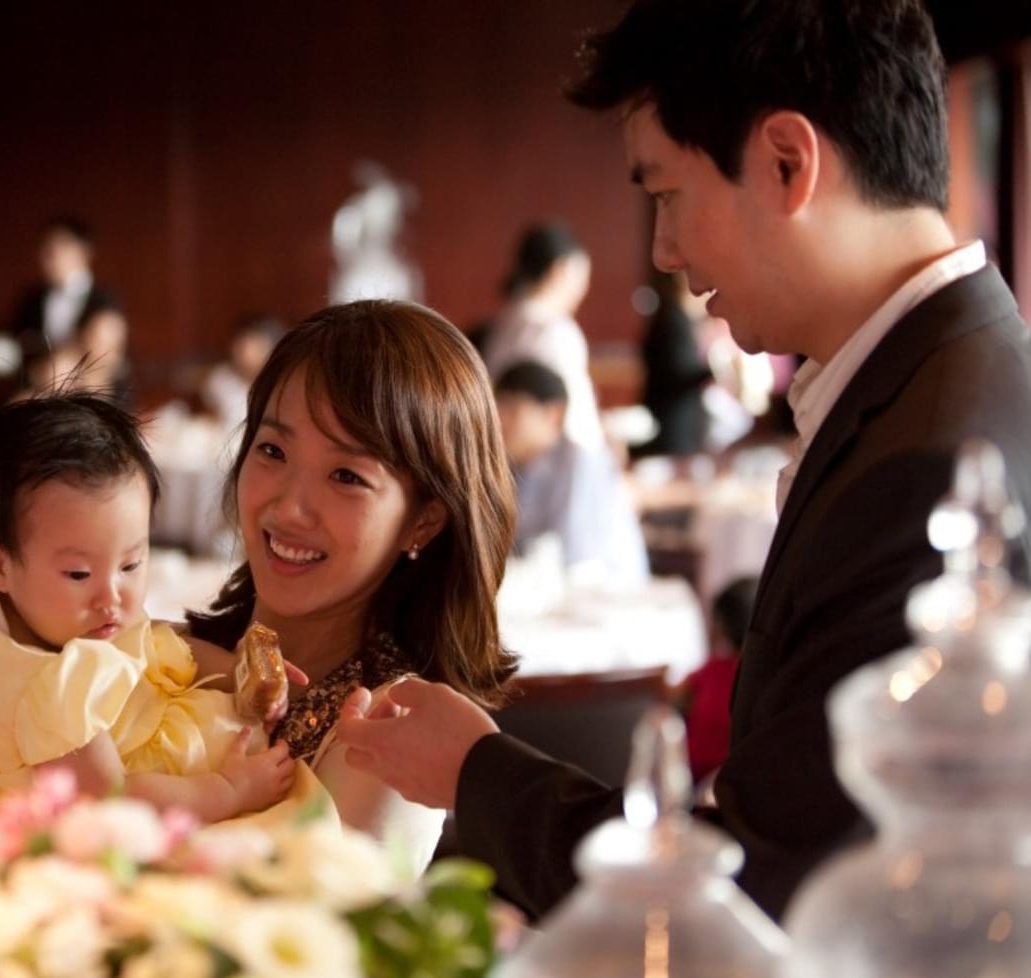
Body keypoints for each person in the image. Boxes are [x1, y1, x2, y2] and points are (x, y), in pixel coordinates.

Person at [334, 0, 1031, 920]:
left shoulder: (936, 459)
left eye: (665, 194)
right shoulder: (941, 379)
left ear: (787, 163)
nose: (664, 250)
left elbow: (767, 889)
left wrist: (475, 769)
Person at [0, 392, 301, 831]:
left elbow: (152, 643)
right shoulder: (47, 691)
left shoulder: (51, 615)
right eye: (78, 574)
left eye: (131, 564)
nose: (111, 596)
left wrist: (239, 671)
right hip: (75, 823)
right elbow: (114, 800)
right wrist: (228, 790)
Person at [187, 298, 518, 876]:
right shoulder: (165, 657)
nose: (289, 507)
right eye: (272, 450)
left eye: (346, 476)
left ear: (423, 521)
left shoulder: (386, 736)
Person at [496, 361, 649, 585]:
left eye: (511, 408)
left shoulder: (580, 462)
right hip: (548, 589)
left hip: (608, 592)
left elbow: (576, 560)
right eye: (496, 408)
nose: (499, 421)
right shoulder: (510, 465)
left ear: (554, 415)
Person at [480, 222, 605, 449]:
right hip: (553, 457)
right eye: (583, 277)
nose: (584, 288)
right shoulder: (554, 331)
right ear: (559, 271)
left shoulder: (504, 321)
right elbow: (573, 420)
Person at [11, 217, 119, 366]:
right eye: (47, 248)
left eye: (60, 247)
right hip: (40, 377)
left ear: (84, 251)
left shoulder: (105, 300)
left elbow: (106, 357)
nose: (51, 255)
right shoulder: (31, 300)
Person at [636, 268, 711, 456]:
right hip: (670, 424)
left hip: (683, 421)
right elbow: (676, 373)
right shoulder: (672, 321)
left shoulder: (683, 320)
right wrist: (714, 371)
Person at [202, 313, 284, 431]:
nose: (242, 353)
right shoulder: (220, 379)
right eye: (240, 345)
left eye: (253, 346)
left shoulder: (281, 383)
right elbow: (210, 421)